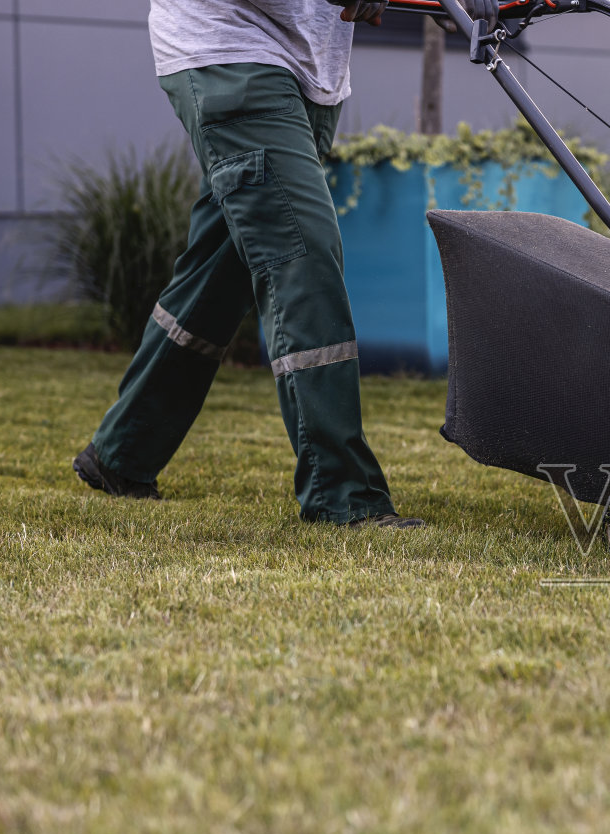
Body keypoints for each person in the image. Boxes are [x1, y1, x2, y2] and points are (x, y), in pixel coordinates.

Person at [73, 0, 425, 529]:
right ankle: (342, 493)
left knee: (222, 269)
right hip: (230, 50)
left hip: (311, 68)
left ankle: (123, 452)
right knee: (302, 253)